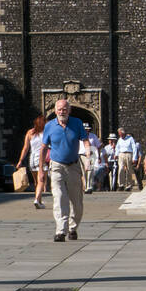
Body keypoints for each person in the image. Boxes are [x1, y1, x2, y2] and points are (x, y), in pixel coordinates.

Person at [41, 98, 88, 242]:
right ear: (55, 111)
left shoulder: (77, 123)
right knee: (59, 197)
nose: (62, 112)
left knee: (77, 202)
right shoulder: (49, 126)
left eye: (65, 109)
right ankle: (61, 230)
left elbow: (85, 140)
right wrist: (41, 169)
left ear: (69, 110)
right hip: (56, 166)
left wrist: (88, 154)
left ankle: (73, 228)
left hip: (73, 166)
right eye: (60, 109)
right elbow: (43, 148)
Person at [16, 116, 48, 209]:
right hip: (42, 158)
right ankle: (37, 199)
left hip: (32, 159)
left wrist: (20, 160)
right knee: (42, 180)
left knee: (36, 182)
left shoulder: (30, 132)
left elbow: (25, 148)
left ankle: (39, 200)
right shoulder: (46, 132)